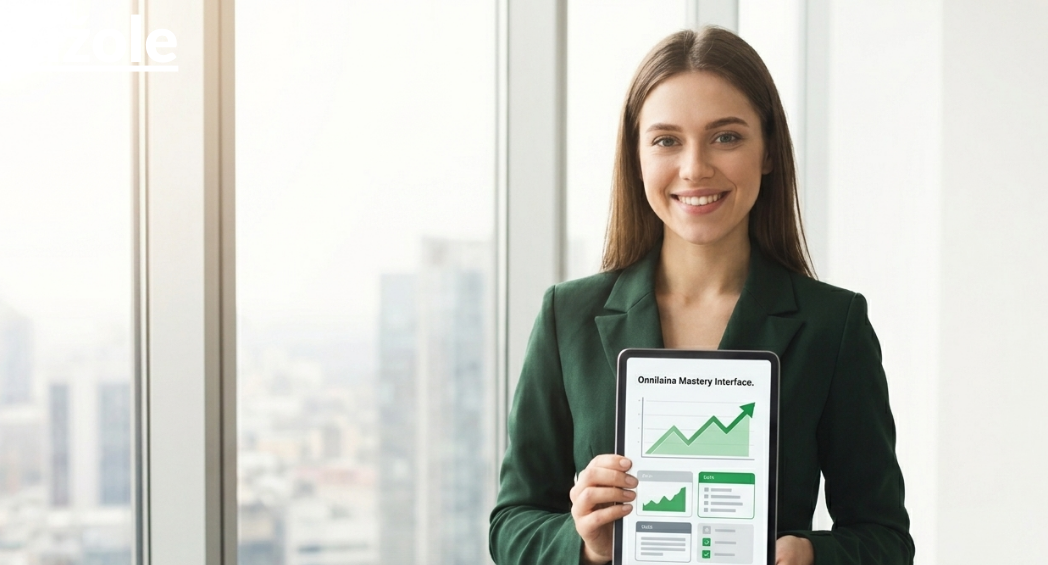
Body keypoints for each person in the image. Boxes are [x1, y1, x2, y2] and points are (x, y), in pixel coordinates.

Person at [488, 26, 914, 565]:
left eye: (726, 137)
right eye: (666, 140)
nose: (694, 168)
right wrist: (586, 545)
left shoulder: (834, 324)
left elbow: (885, 538)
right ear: (636, 156)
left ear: (768, 151)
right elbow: (511, 524)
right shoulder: (567, 317)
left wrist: (808, 555)